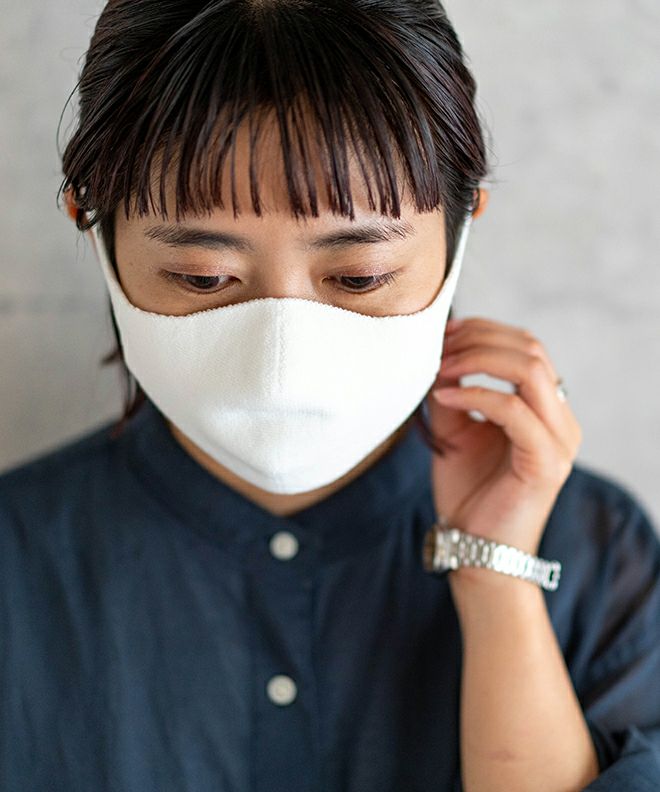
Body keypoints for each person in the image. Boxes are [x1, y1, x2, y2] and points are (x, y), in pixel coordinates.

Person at [1, 1, 658, 790]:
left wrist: (497, 577)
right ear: (92, 223)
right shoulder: (17, 563)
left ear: (462, 224)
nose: (280, 359)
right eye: (204, 278)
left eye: (358, 277)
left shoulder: (595, 555)